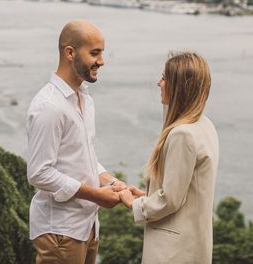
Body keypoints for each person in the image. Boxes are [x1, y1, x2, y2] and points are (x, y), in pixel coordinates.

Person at [26, 20, 126, 264]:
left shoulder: (84, 98)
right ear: (69, 53)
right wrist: (96, 195)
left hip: (86, 225)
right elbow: (38, 173)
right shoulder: (49, 106)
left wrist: (113, 183)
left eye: (101, 52)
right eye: (94, 53)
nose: (101, 61)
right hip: (60, 230)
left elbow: (83, 157)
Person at [118, 52, 219, 264]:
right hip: (194, 243)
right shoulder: (204, 125)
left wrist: (134, 204)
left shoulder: (183, 134)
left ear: (178, 87)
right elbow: (186, 188)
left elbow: (170, 199)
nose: (159, 83)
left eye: (165, 78)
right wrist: (145, 195)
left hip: (174, 251)